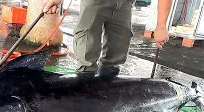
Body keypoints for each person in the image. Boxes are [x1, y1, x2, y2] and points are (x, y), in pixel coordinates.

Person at [41, 0, 172, 78]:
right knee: (87, 50)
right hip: (94, 2)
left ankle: (107, 87)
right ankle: (82, 89)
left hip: (124, 4)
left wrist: (161, 25)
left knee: (117, 51)